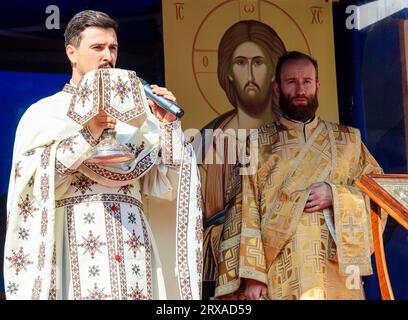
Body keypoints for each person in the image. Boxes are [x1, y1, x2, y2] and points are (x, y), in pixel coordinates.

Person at [4, 10, 202, 300]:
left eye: (113, 47)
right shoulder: (45, 113)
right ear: (72, 52)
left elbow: (166, 186)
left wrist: (168, 126)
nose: (107, 56)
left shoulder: (141, 116)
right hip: (77, 250)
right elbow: (34, 187)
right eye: (97, 47)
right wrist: (88, 135)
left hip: (135, 250)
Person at [214, 51, 387, 300]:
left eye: (307, 81)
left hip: (336, 269)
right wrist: (253, 275)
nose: (300, 89)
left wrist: (336, 194)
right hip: (281, 268)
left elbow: (379, 195)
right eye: (291, 82)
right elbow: (244, 208)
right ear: (277, 88)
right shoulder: (258, 143)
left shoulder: (348, 140)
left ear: (317, 86)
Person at [199, 20, 286, 298]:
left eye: (258, 62)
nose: (250, 73)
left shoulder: (292, 135)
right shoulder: (207, 139)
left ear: (273, 70)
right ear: (227, 73)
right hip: (225, 264)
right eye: (240, 62)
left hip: (286, 259)